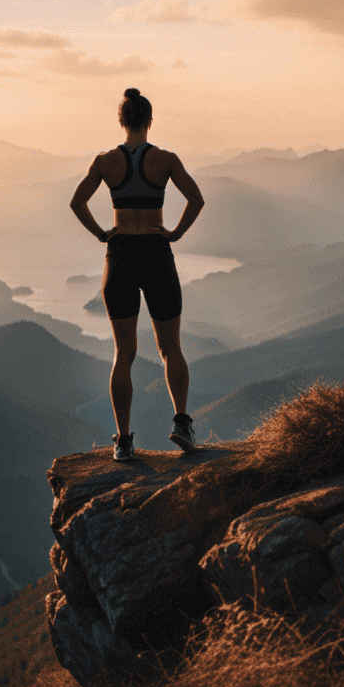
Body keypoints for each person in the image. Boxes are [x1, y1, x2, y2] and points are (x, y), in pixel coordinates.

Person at [70, 88, 206, 462]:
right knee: (170, 347)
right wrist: (175, 233)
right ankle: (181, 423)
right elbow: (196, 199)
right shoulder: (165, 160)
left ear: (121, 121)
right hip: (156, 253)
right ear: (149, 120)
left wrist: (101, 233)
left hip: (121, 255)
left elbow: (77, 202)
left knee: (123, 353)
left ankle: (124, 442)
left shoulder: (105, 162)